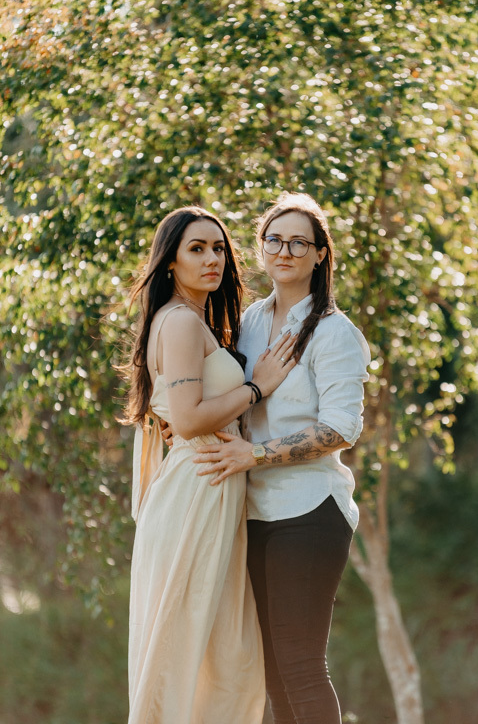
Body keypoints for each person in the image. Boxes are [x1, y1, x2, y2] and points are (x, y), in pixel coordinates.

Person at [193, 192, 371, 724]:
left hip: (310, 510)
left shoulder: (335, 333)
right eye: (275, 239)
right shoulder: (248, 320)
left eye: (299, 242)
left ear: (320, 254)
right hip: (252, 513)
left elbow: (342, 428)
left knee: (300, 666)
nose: (285, 250)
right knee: (269, 671)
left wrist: (256, 455)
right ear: (261, 247)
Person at [121, 206, 297, 724]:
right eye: (196, 249)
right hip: (196, 490)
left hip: (214, 488)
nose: (212, 258)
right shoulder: (177, 322)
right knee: (188, 651)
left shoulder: (196, 322)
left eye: (218, 248)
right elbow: (188, 419)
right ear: (170, 262)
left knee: (227, 655)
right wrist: (256, 386)